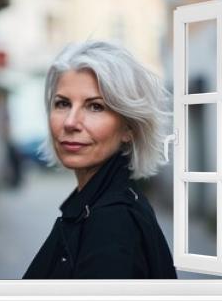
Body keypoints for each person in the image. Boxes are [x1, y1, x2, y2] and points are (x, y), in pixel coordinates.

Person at [22, 40, 177, 279]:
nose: (71, 122)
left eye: (95, 106)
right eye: (62, 103)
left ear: (130, 127)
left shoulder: (112, 225)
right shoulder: (96, 206)